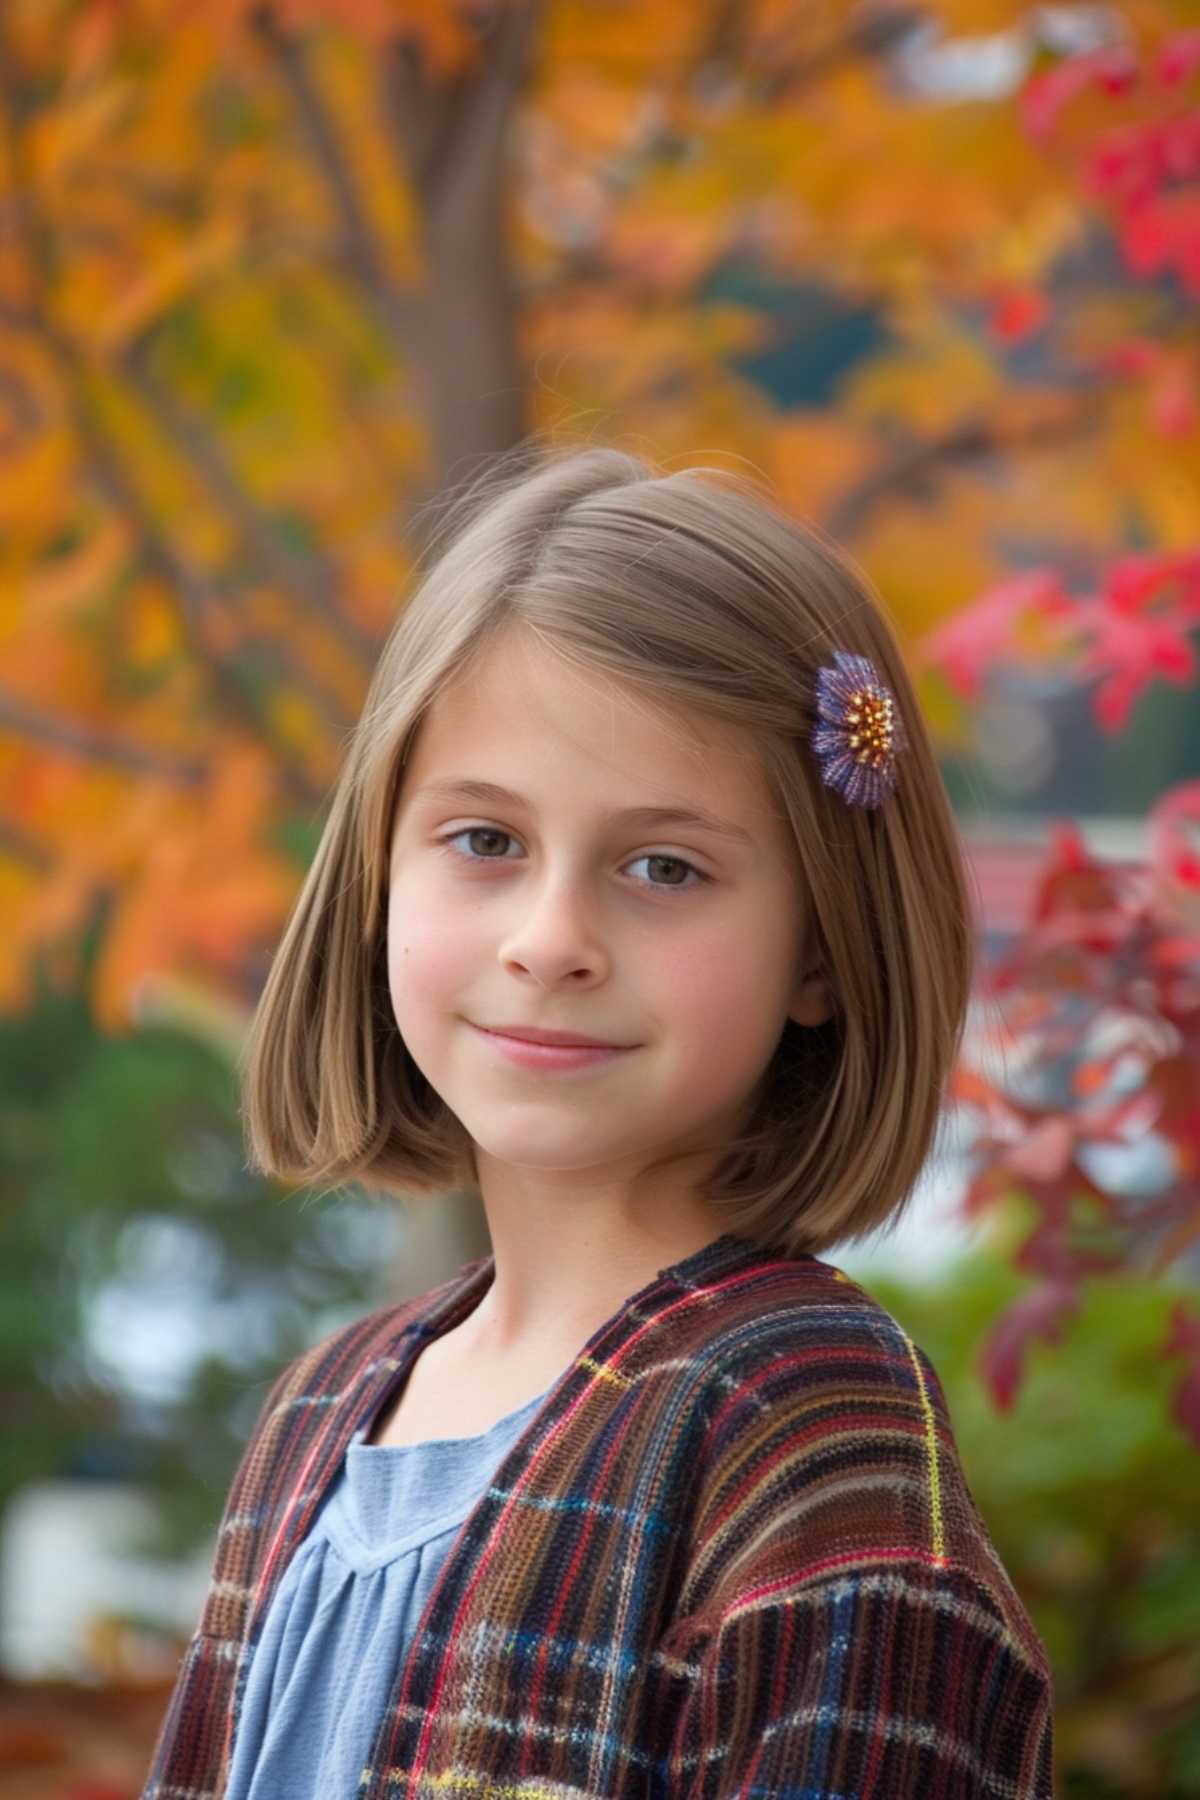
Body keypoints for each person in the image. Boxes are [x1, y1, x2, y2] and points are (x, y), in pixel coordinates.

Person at [142, 443, 1055, 1799]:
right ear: (380, 870)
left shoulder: (806, 1436)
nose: (551, 939)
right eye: (486, 842)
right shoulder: (321, 1406)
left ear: (820, 950)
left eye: (662, 867)